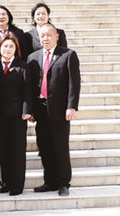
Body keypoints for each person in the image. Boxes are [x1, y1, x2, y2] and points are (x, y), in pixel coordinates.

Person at [27, 23, 81, 197]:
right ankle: (49, 181)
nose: (45, 38)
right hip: (40, 109)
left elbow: (74, 83)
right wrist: (30, 109)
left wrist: (71, 106)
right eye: (42, 35)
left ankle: (63, 182)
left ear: (56, 36)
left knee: (60, 146)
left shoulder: (68, 55)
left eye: (49, 35)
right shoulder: (33, 57)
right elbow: (30, 86)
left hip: (59, 109)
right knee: (44, 146)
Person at [0, 33, 33, 196]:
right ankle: (6, 182)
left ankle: (17, 184)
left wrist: (26, 111)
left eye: (11, 46)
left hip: (17, 115)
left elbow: (28, 91)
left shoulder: (23, 67)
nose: (7, 49)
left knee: (17, 150)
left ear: (16, 49)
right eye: (5, 46)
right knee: (2, 149)